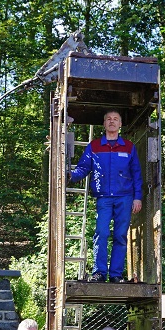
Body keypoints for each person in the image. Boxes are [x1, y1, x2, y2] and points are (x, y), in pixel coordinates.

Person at [69, 110, 143, 283]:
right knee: (101, 233)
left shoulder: (129, 147)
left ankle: (116, 275)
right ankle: (99, 273)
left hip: (125, 198)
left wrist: (137, 197)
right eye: (108, 119)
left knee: (120, 235)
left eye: (115, 119)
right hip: (104, 198)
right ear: (104, 124)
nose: (112, 122)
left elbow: (137, 174)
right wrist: (70, 176)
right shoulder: (94, 146)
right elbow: (83, 168)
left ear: (120, 125)